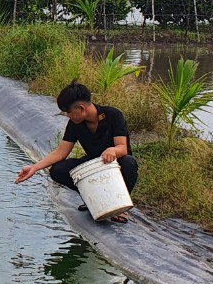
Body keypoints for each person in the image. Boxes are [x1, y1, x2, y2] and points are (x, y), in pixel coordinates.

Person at [14, 82, 138, 223]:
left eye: (69, 112)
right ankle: (94, 199)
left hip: (114, 165)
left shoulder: (113, 115)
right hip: (93, 165)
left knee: (129, 163)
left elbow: (123, 148)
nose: (68, 116)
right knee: (58, 170)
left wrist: (112, 150)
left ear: (81, 108)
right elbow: (61, 153)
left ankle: (119, 205)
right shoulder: (75, 124)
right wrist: (34, 168)